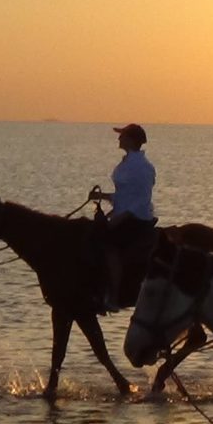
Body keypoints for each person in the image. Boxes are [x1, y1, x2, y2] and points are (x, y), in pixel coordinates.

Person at [89, 123, 157, 311]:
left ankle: (114, 295)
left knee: (109, 246)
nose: (118, 139)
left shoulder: (141, 167)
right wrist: (101, 197)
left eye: (122, 136)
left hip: (136, 218)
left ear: (131, 140)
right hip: (126, 214)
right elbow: (125, 196)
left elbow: (141, 199)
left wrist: (120, 218)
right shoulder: (129, 163)